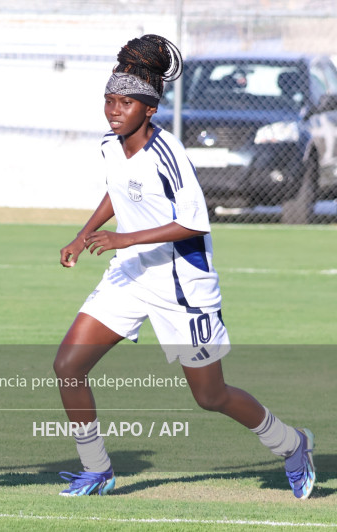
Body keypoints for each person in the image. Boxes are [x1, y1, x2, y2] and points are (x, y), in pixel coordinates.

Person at [53, 34, 315, 499]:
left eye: (125, 102)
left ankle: (292, 445)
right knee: (68, 365)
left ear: (149, 109)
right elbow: (118, 189)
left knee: (210, 396)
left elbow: (193, 223)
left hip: (181, 286)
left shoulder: (168, 153)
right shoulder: (111, 145)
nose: (114, 110)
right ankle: (98, 468)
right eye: (109, 100)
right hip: (130, 275)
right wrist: (84, 232)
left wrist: (122, 238)